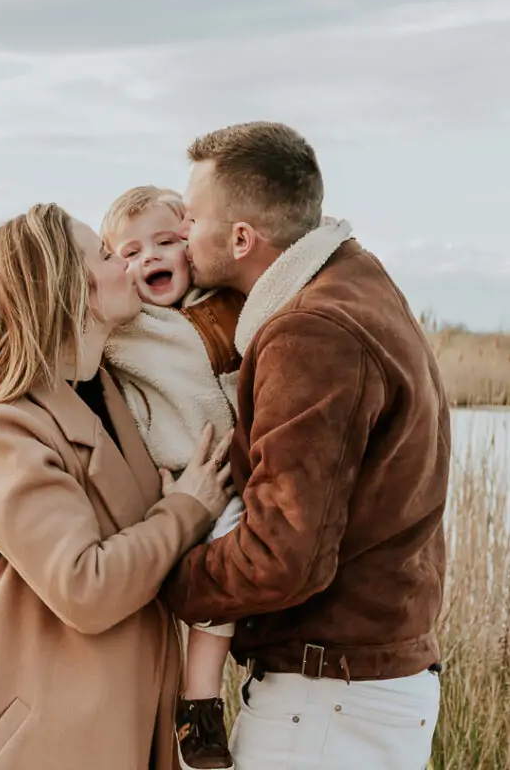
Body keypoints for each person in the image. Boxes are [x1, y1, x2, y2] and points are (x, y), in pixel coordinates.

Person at [163, 122, 450, 770]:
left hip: (327, 704)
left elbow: (280, 555)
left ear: (241, 238)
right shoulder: (357, 281)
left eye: (192, 216)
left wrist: (157, 573)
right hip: (358, 689)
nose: (182, 230)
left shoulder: (310, 333)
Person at [0, 203, 233, 770]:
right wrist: (189, 508)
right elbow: (85, 587)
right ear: (68, 292)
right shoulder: (5, 425)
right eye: (105, 254)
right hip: (44, 736)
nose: (126, 266)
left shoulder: (112, 393)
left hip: (125, 720)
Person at [102, 185, 245, 770]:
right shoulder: (126, 330)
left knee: (234, 570)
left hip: (238, 470)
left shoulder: (228, 303)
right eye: (130, 253)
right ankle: (200, 704)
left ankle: (203, 699)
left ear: (191, 243)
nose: (150, 258)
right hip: (180, 475)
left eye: (166, 241)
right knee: (213, 576)